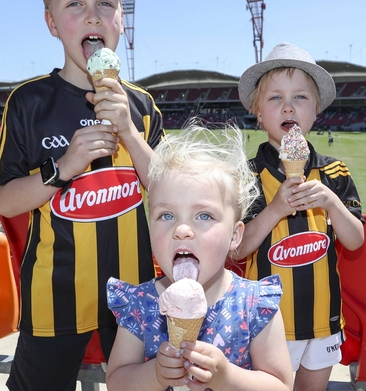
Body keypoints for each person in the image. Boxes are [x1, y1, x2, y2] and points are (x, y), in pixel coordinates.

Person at [0, 0, 164, 391]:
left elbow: (168, 192)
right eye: (74, 4)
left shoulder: (141, 104)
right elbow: (5, 200)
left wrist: (130, 133)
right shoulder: (28, 102)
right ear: (51, 23)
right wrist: (62, 167)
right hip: (53, 292)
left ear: (121, 19)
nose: (92, 15)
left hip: (135, 293)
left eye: (106, 2)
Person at [105, 122, 292, 391]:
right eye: (166, 215)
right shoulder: (139, 305)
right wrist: (154, 375)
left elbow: (282, 386)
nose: (181, 230)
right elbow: (116, 383)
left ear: (235, 236)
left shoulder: (255, 304)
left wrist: (227, 377)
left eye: (204, 215)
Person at [233, 43, 365, 391]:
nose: (288, 106)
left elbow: (357, 240)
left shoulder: (334, 172)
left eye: (300, 98)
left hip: (324, 320)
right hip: (268, 325)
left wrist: (333, 204)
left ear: (316, 111)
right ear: (258, 112)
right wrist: (275, 208)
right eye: (275, 98)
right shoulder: (246, 176)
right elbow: (238, 249)